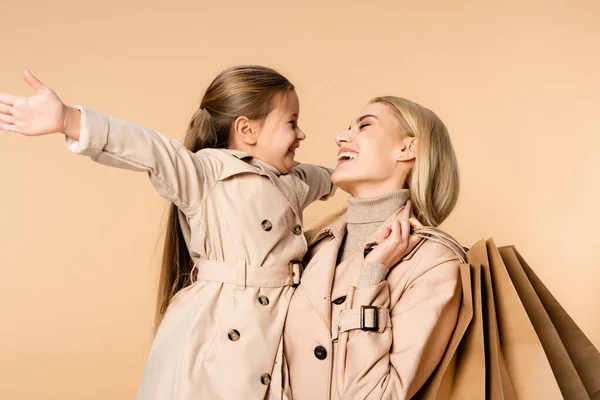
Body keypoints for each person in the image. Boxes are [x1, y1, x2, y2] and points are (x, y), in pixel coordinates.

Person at [0, 65, 343, 399]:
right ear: (247, 130)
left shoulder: (295, 180)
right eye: (292, 123)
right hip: (215, 334)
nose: (301, 135)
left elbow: (340, 178)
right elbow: (150, 149)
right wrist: (69, 120)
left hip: (275, 332)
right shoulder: (206, 174)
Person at [282, 96, 466, 399]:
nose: (340, 137)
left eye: (364, 126)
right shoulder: (311, 245)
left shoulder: (435, 261)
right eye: (347, 128)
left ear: (407, 148)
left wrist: (373, 277)